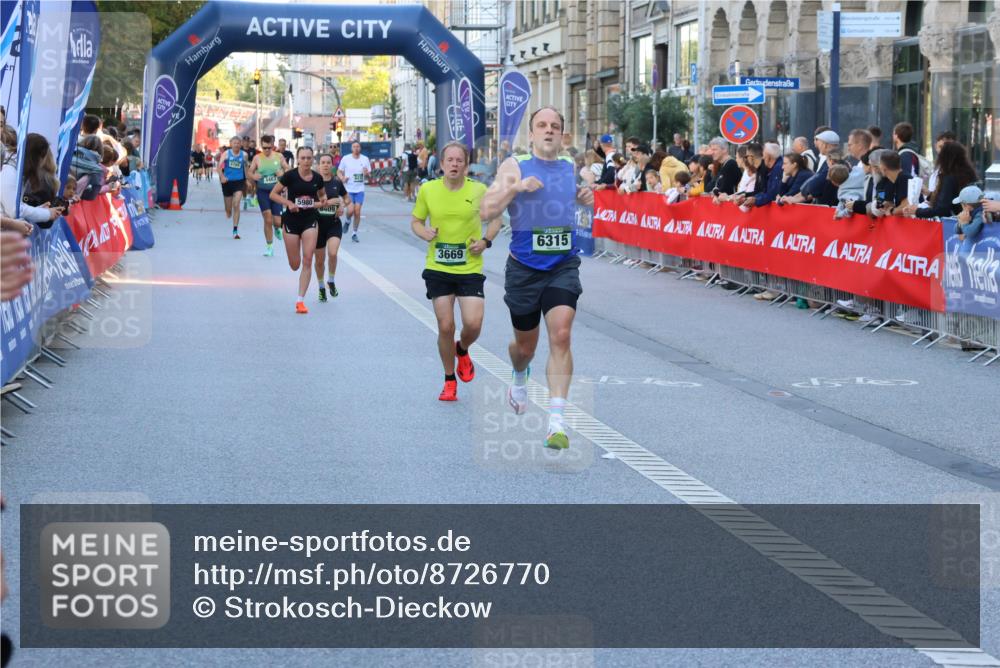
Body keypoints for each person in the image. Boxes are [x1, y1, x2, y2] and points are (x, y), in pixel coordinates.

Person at [480, 106, 594, 450]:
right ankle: (518, 374)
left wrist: (582, 196)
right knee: (524, 349)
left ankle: (556, 421)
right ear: (531, 134)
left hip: (563, 264)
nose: (548, 130)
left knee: (561, 334)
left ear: (562, 135)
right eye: (541, 126)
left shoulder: (569, 166)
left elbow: (568, 199)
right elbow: (486, 210)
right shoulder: (514, 166)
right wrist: (515, 188)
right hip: (524, 269)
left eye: (555, 126)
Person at [411, 141, 501, 401]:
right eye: (449, 160)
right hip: (438, 267)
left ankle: (463, 349)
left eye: (459, 160)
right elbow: (416, 221)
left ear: (465, 164)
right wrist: (424, 232)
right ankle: (449, 380)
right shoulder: (428, 190)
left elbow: (496, 218)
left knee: (472, 324)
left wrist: (485, 241)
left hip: (469, 267)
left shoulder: (479, 190)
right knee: (446, 325)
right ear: (441, 164)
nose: (454, 164)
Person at [268, 146, 327, 314]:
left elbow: (322, 195)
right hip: (291, 222)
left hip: (310, 220)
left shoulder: (317, 178)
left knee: (308, 259)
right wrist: (289, 204)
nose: (306, 161)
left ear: (312, 159)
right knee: (295, 265)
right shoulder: (290, 176)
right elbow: (273, 194)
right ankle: (295, 265)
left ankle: (300, 301)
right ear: (298, 159)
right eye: (303, 158)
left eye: (309, 158)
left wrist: (323, 201)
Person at [904, 141, 977, 219]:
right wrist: (929, 194)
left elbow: (942, 209)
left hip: (954, 222)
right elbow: (949, 199)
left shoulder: (949, 177)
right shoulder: (967, 174)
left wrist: (917, 211)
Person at [315, 153, 350, 301]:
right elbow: (307, 203)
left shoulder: (337, 182)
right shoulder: (314, 183)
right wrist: (326, 204)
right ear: (318, 165)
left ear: (332, 165)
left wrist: (342, 205)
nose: (325, 165)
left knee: (333, 254)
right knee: (319, 261)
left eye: (328, 162)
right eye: (322, 162)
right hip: (317, 226)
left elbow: (347, 198)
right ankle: (321, 287)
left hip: (333, 224)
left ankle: (331, 280)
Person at [247, 134, 289, 256]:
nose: (266, 150)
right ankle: (269, 246)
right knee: (268, 218)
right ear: (261, 146)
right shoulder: (257, 158)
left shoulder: (279, 156)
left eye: (269, 148)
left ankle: (277, 228)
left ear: (273, 146)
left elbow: (288, 169)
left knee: (277, 221)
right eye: (264, 148)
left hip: (276, 192)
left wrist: (282, 172)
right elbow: (250, 171)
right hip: (263, 192)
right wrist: (253, 176)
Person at [337, 141, 371, 243]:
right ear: (351, 148)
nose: (356, 148)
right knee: (350, 210)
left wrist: (367, 173)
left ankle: (354, 233)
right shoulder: (346, 158)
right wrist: (342, 178)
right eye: (354, 146)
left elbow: (369, 174)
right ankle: (347, 221)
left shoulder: (365, 159)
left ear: (360, 148)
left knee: (357, 212)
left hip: (360, 190)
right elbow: (339, 171)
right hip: (348, 190)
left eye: (358, 146)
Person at [217, 136, 248, 238]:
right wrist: (222, 176)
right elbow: (219, 166)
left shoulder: (244, 155)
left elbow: (245, 167)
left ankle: (235, 230)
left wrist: (247, 180)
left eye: (238, 143)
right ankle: (228, 211)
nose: (236, 145)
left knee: (236, 204)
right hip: (227, 182)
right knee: (228, 209)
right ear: (231, 144)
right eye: (234, 143)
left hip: (239, 182)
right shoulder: (226, 154)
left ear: (241, 144)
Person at [871, 150, 911, 217]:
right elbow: (879, 203)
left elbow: (906, 205)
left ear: (883, 167)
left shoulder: (903, 178)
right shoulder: (882, 183)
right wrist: (886, 204)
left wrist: (892, 211)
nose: (873, 169)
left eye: (876, 165)